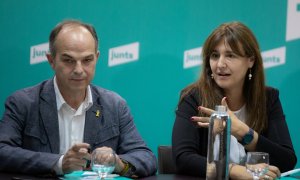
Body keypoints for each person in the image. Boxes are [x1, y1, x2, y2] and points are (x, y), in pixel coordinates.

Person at [0, 19, 157, 178]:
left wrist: (117, 162)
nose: (78, 70)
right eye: (68, 60)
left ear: (97, 58)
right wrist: (59, 163)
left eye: (87, 60)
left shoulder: (115, 105)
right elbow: (2, 151)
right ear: (51, 60)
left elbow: (146, 157)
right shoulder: (23, 103)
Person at [172, 21, 297, 179]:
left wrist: (242, 131)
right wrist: (233, 170)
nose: (220, 64)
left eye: (230, 55)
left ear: (250, 60)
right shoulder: (193, 98)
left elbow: (287, 160)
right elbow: (182, 159)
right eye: (215, 55)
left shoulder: (268, 98)